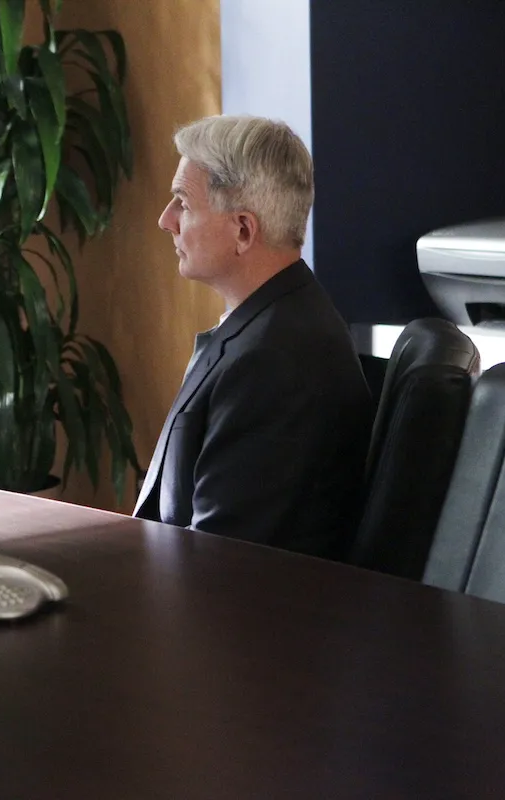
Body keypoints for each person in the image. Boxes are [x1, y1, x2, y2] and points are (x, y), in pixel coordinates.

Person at [133, 115, 372, 559]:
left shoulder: (277, 360)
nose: (166, 220)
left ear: (243, 230)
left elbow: (220, 562)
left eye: (182, 203)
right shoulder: (267, 326)